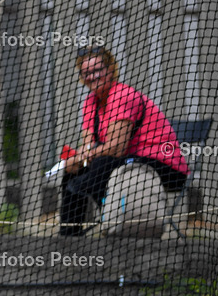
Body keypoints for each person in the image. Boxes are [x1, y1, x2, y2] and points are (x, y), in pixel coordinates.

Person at [60, 47, 188, 236]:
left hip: (165, 165)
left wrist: (87, 155)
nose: (92, 76)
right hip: (128, 161)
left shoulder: (122, 96)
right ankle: (70, 237)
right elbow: (88, 145)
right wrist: (76, 160)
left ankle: (111, 222)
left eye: (97, 70)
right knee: (74, 171)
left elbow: (117, 148)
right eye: (86, 73)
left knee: (101, 164)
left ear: (111, 69)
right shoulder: (89, 102)